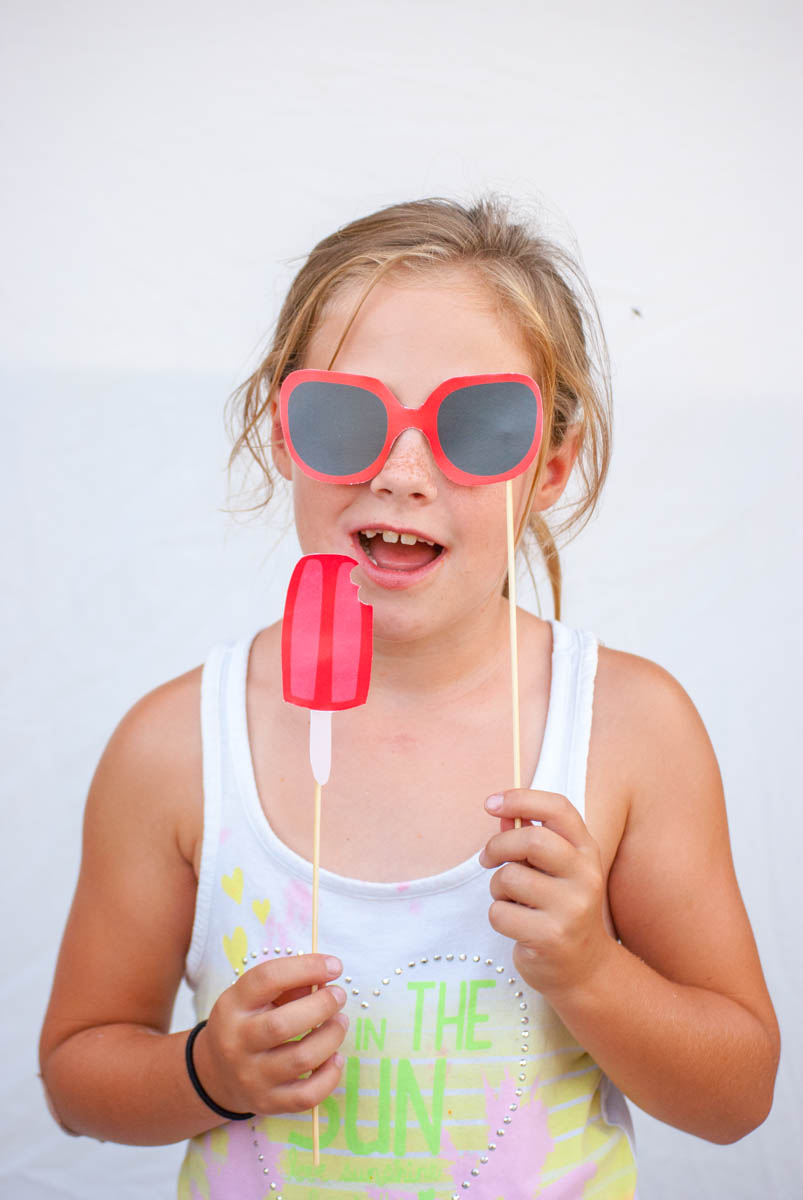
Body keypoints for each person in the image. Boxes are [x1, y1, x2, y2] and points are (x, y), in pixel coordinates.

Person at [39, 196, 779, 1200]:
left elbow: (735, 1098)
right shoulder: (176, 747)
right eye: (347, 417)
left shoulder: (627, 731)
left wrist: (589, 970)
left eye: (476, 427)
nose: (400, 472)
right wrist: (206, 1073)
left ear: (550, 467)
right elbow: (77, 1074)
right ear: (284, 434)